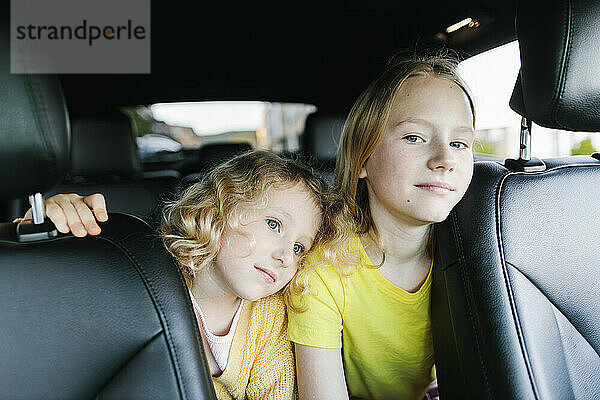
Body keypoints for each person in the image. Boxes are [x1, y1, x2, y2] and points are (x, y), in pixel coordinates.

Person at [33, 150, 354, 400]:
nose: (285, 256)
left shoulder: (272, 318)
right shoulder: (143, 275)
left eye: (300, 248)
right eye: (273, 225)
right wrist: (48, 226)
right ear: (219, 209)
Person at [287, 54, 476, 400]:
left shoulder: (483, 253)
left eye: (460, 143)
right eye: (415, 138)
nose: (445, 159)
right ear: (362, 159)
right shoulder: (323, 276)